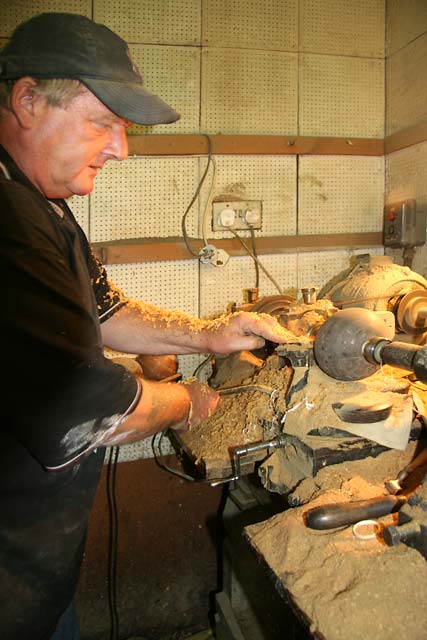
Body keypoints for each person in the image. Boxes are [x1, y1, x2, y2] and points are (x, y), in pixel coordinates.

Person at [0, 12, 291, 640]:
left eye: (123, 130)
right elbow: (90, 409)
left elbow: (106, 312)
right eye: (103, 123)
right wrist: (188, 402)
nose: (120, 148)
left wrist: (209, 334)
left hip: (35, 568)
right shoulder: (8, 218)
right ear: (27, 100)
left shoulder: (40, 205)